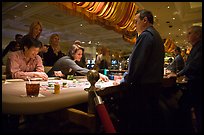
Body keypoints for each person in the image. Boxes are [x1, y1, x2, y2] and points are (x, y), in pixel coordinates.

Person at [117, 9, 165, 133]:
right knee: (149, 121)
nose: (134, 25)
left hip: (144, 88)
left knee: (138, 123)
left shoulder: (146, 35)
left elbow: (137, 63)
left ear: (145, 20)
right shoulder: (157, 36)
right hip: (154, 85)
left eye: (135, 21)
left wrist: (126, 81)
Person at [168, 26, 202, 133]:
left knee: (192, 109)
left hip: (198, 85)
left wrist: (177, 74)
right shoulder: (196, 47)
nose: (187, 35)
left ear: (198, 35)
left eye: (190, 33)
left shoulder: (200, 47)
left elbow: (193, 65)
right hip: (195, 83)